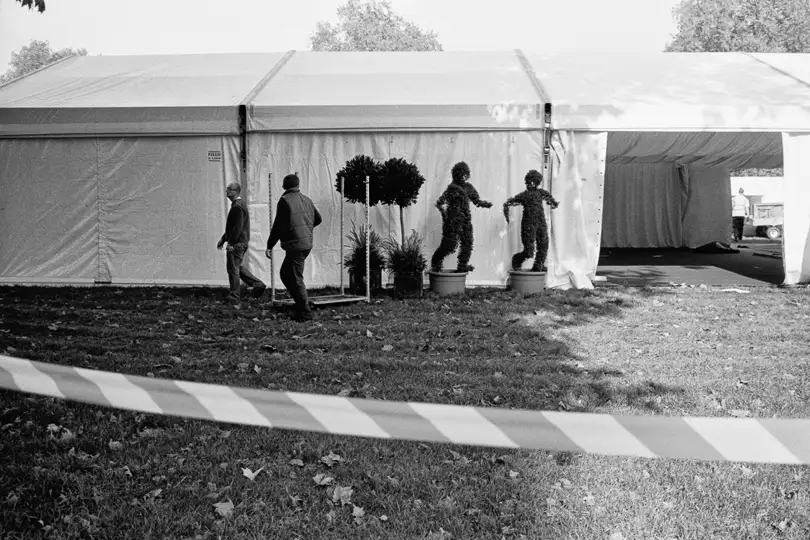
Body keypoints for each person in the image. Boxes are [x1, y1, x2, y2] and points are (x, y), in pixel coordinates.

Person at [265, 174, 322, 322]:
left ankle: (305, 313)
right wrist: (305, 229)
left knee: (296, 278)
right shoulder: (307, 200)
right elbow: (318, 219)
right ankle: (301, 304)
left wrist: (270, 245)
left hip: (296, 245)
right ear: (298, 185)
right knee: (286, 274)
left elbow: (278, 226)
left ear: (284, 186)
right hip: (306, 244)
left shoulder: (285, 201)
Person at [431, 161, 493, 273]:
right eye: (460, 174)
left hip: (466, 221)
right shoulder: (451, 188)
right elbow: (439, 203)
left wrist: (484, 204)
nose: (463, 177)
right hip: (453, 221)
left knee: (467, 243)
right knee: (450, 245)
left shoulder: (469, 187)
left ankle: (462, 265)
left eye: (465, 174)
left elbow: (476, 200)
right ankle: (436, 263)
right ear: (455, 174)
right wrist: (445, 217)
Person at [217, 183, 266, 308]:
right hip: (240, 242)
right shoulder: (238, 205)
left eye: (230, 189)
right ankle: (258, 285)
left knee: (233, 269)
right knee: (237, 267)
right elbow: (233, 226)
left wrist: (231, 243)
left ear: (236, 192)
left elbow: (237, 227)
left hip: (237, 243)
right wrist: (223, 239)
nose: (227, 191)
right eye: (227, 189)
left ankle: (234, 297)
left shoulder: (237, 206)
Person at [503, 169, 559, 272]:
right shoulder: (524, 195)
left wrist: (554, 203)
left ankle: (538, 267)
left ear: (537, 182)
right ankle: (517, 259)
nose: (531, 183)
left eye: (534, 181)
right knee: (529, 251)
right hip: (528, 224)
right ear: (527, 181)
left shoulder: (541, 193)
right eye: (529, 181)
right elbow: (509, 203)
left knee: (543, 245)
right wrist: (507, 215)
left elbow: (551, 201)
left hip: (541, 223)